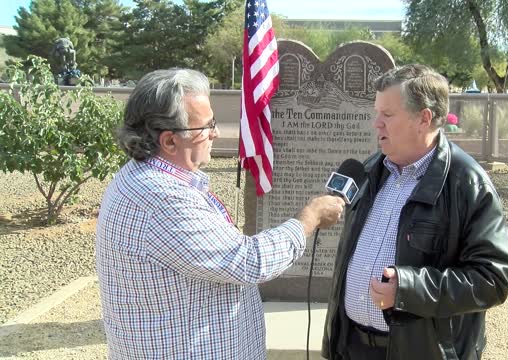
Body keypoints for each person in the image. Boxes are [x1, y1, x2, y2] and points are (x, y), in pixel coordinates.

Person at [95, 69, 345, 359]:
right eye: (206, 126)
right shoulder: (165, 198)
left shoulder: (141, 176)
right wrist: (309, 218)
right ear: (169, 141)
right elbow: (250, 261)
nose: (215, 132)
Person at [321, 64, 508, 360]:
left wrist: (410, 289)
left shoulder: (467, 183)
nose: (377, 123)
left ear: (423, 118)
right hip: (352, 347)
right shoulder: (371, 168)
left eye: (387, 115)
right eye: (377, 113)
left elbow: (493, 279)